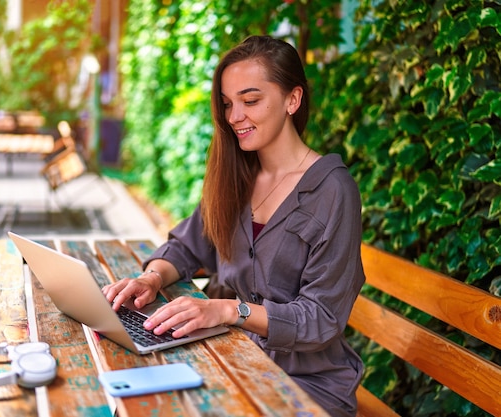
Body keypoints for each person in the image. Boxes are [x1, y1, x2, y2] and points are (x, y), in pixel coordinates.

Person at [102, 35, 365, 416]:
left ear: (293, 99)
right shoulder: (238, 175)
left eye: (251, 100)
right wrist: (152, 279)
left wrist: (229, 311)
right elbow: (188, 246)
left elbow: (321, 318)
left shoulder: (333, 191)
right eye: (227, 104)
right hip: (231, 358)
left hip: (306, 386)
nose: (234, 116)